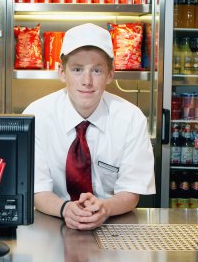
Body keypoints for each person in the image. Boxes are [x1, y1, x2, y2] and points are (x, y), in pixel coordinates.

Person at [23, 23, 156, 230]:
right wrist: (65, 208)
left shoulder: (131, 119)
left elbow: (131, 192)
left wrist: (105, 208)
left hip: (112, 228)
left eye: (96, 70)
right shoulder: (37, 115)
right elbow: (36, 189)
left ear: (110, 74)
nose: (87, 81)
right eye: (77, 69)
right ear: (61, 72)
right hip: (50, 223)